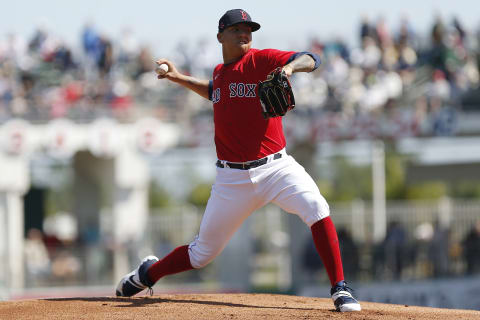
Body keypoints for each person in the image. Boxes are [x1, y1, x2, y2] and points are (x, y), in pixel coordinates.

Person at [115, 9, 361, 312]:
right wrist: (177, 77)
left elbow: (311, 58)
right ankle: (147, 273)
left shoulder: (263, 59)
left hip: (276, 168)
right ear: (220, 36)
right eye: (237, 30)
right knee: (201, 254)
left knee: (317, 207)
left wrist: (289, 70)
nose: (244, 34)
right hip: (232, 180)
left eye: (248, 30)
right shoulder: (220, 72)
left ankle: (340, 288)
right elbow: (214, 91)